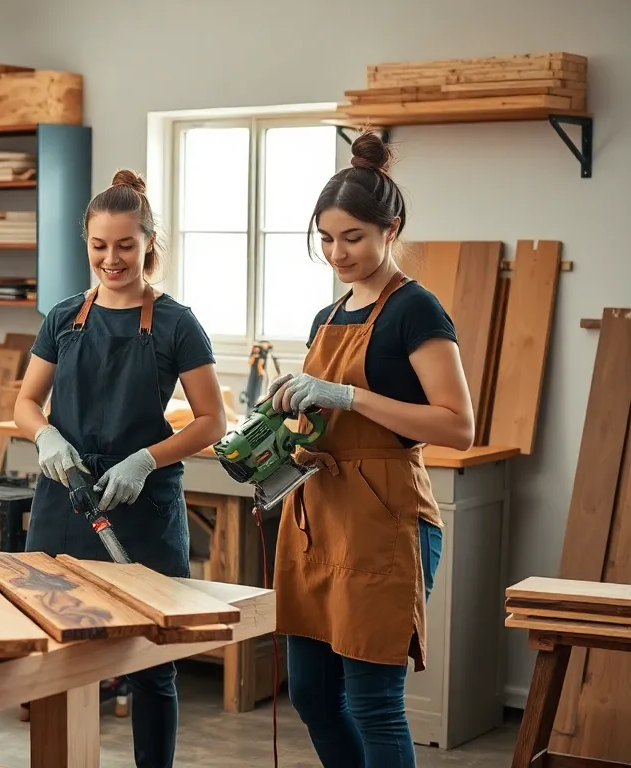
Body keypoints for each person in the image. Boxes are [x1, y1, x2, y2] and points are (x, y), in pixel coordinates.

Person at [267, 131, 473, 768]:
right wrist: (282, 427)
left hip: (385, 520)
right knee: (312, 697)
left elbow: (456, 425)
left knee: (372, 703)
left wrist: (348, 396)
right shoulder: (327, 317)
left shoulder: (418, 310)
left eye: (352, 237)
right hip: (319, 518)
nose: (337, 253)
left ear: (392, 228)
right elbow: (324, 422)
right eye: (326, 239)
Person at [14, 169, 228, 768]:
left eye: (126, 246)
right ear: (86, 243)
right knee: (57, 656)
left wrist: (146, 459)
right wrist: (47, 435)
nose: (112, 259)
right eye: (100, 246)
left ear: (148, 244)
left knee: (152, 665)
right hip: (65, 501)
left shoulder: (176, 323)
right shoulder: (63, 318)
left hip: (143, 508)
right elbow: (25, 402)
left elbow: (213, 420)